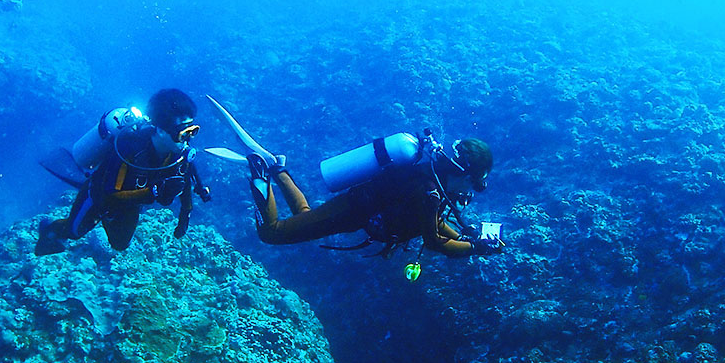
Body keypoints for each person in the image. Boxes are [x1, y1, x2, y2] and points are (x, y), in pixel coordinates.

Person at [207, 98, 502, 259]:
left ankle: (277, 168)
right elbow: (435, 241)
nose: (471, 191)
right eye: (475, 183)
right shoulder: (430, 193)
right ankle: (260, 173)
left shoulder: (431, 181)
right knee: (272, 233)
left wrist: (468, 236)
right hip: (351, 211)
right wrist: (475, 248)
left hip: (354, 211)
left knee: (306, 216)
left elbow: (436, 224)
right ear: (464, 174)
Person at [35, 89, 211, 256]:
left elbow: (185, 181)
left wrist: (185, 215)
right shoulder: (130, 148)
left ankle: (107, 219)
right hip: (99, 195)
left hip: (131, 202)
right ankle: (49, 227)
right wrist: (153, 192)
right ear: (160, 130)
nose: (187, 140)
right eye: (183, 133)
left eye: (192, 131)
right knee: (73, 232)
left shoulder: (178, 155)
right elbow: (111, 193)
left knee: (120, 244)